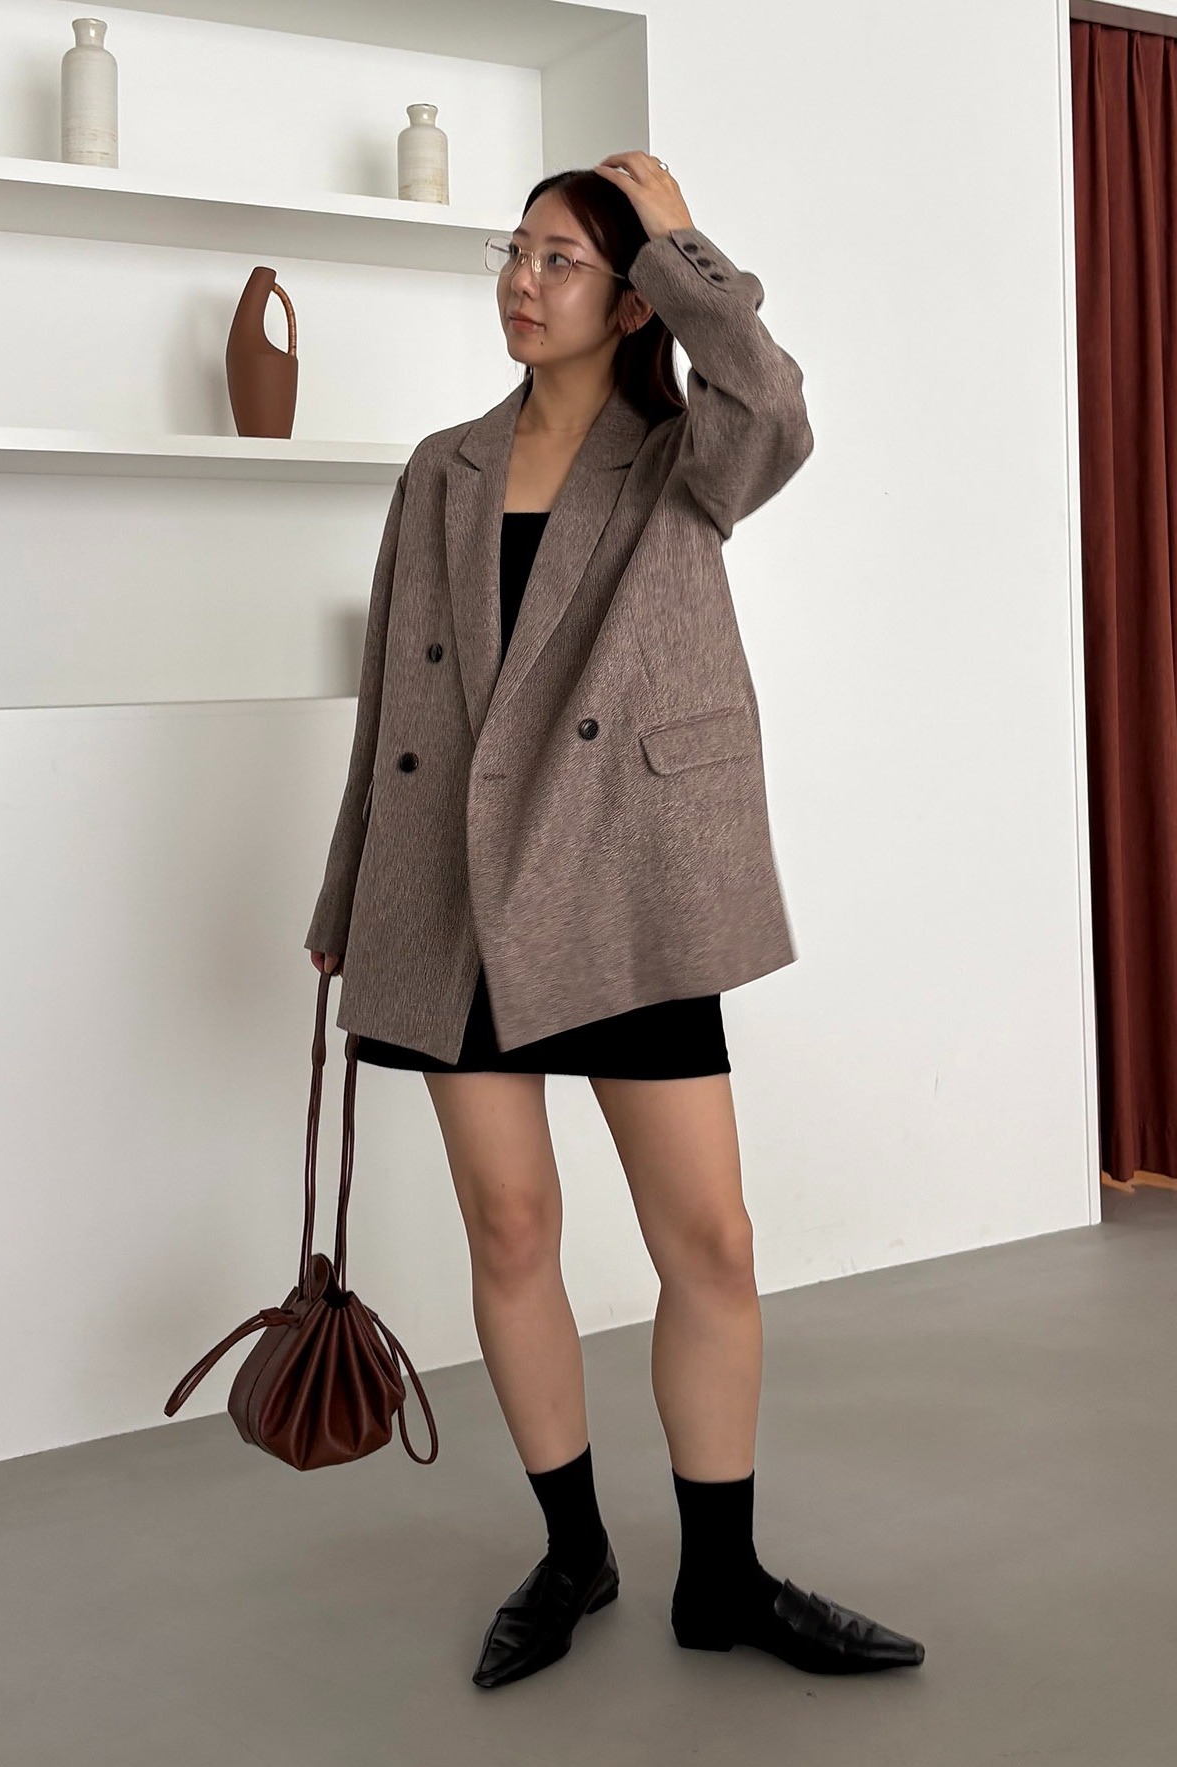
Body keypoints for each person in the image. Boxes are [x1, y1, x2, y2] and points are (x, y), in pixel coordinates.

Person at [308, 152, 923, 1688]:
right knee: (512, 1227)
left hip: (625, 874)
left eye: (563, 259)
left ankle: (723, 1577)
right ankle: (572, 1549)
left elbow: (775, 404)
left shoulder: (686, 457)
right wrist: (346, 892)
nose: (523, 282)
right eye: (514, 253)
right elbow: (392, 703)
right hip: (447, 888)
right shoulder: (442, 467)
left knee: (708, 1238)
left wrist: (680, 241)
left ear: (631, 293)